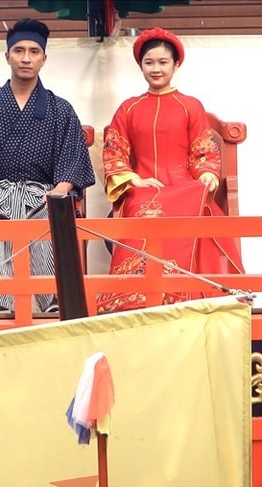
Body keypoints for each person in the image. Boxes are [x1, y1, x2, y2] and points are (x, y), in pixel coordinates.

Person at [0, 17, 97, 319]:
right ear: (7, 56)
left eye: (34, 51)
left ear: (44, 58)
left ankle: (54, 295)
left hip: (43, 192)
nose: (26, 58)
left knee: (57, 210)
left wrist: (61, 189)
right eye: (19, 50)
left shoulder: (60, 109)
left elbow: (72, 155)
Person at [97, 28, 243, 312]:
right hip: (142, 190)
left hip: (183, 190)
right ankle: (134, 299)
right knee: (141, 206)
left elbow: (203, 150)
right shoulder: (128, 108)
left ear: (176, 65)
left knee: (195, 209)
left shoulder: (191, 106)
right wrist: (134, 179)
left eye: (163, 62)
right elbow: (114, 151)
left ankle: (188, 296)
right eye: (149, 62)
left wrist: (207, 174)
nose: (156, 68)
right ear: (141, 65)